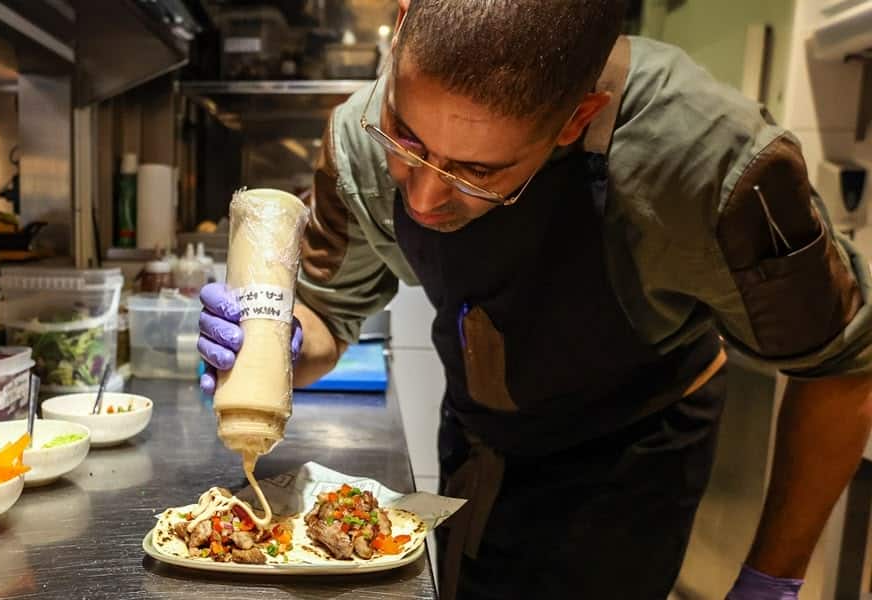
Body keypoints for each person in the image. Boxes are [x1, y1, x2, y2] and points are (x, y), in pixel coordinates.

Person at [197, 1, 872, 598]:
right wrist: (279, 342)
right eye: (407, 139)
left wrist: (772, 578)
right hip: (479, 433)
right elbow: (328, 318)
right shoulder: (356, 134)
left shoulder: (705, 160)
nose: (425, 198)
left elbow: (845, 364)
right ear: (401, 30)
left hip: (629, 454)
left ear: (578, 117)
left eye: (478, 173)